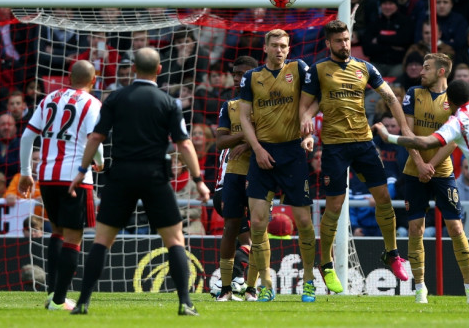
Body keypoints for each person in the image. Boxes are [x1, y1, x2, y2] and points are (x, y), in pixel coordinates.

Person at [68, 48, 209, 316]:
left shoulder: (116, 98)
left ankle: (83, 302)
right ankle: (185, 303)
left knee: (101, 241)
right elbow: (184, 143)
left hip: (120, 176)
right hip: (155, 176)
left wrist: (82, 169)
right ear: (158, 70)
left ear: (133, 69)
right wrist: (199, 180)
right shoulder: (169, 102)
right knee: (175, 241)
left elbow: (95, 137)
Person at [374, 79, 469, 314]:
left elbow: (427, 141)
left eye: (427, 67)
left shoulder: (458, 120)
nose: (423, 72)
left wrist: (389, 138)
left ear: (450, 101)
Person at [299, 20, 410, 296]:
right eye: (338, 41)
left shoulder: (365, 68)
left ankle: (392, 253)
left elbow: (391, 98)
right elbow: (306, 107)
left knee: (383, 197)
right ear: (328, 44)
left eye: (347, 39)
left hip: (363, 143)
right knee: (334, 206)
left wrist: (405, 129)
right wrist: (306, 130)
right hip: (335, 147)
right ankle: (326, 264)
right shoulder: (318, 70)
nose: (344, 44)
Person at [239, 29, 317, 303]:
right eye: (275, 45)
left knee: (305, 222)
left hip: (293, 152)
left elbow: (314, 99)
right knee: (258, 223)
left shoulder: (299, 69)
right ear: (265, 47)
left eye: (284, 45)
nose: (280, 50)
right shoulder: (251, 77)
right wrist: (257, 149)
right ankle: (266, 284)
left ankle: (308, 281)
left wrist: (308, 133)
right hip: (263, 154)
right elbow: (245, 117)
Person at [19, 60, 102, 311]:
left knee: (56, 232)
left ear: (69, 77)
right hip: (75, 178)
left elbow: (26, 136)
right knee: (73, 238)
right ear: (94, 80)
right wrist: (101, 162)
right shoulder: (93, 103)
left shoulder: (50, 98)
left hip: (46, 176)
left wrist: (26, 172)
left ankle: (53, 292)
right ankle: (58, 300)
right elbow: (94, 141)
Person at [399, 53, 469, 305]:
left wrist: (430, 165)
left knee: (455, 228)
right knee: (415, 229)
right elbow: (407, 131)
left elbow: (455, 139)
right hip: (414, 170)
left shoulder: (452, 100)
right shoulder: (413, 93)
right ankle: (420, 288)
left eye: (426, 68)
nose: (421, 72)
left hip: (441, 172)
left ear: (441, 72)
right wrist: (420, 163)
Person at [214, 55, 259, 301]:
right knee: (231, 228)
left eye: (242, 73)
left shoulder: (265, 103)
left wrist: (247, 141)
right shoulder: (228, 106)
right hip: (231, 177)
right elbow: (220, 142)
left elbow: (273, 136)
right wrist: (247, 138)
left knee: (259, 232)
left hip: (260, 173)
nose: (237, 78)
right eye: (234, 73)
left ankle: (252, 288)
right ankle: (226, 288)